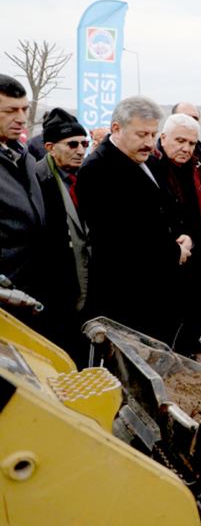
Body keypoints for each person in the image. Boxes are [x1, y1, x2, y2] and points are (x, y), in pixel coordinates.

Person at [76, 96, 193, 346]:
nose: (149, 143)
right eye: (141, 135)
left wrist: (182, 234)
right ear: (116, 129)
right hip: (128, 297)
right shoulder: (97, 170)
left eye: (153, 134)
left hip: (159, 291)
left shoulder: (148, 160)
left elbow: (166, 207)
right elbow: (118, 237)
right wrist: (174, 252)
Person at [149, 113, 201, 358]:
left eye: (191, 143)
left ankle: (188, 344)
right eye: (180, 141)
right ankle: (178, 354)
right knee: (175, 313)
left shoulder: (197, 165)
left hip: (200, 249)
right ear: (163, 138)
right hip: (173, 251)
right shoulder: (152, 167)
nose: (186, 148)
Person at [33, 108, 90, 364]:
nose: (81, 150)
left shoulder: (89, 176)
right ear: (50, 147)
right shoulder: (35, 180)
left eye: (85, 143)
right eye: (73, 144)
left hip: (87, 286)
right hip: (56, 291)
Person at [0, 74, 46, 324]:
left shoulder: (25, 159)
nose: (21, 118)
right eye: (10, 111)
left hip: (27, 300)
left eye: (24, 109)